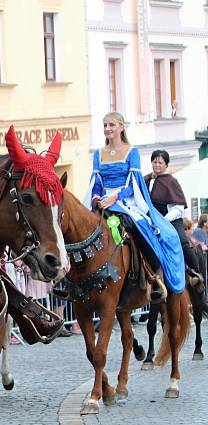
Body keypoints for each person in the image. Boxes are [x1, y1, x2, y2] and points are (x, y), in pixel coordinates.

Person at [84, 112, 185, 295]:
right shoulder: (99, 154)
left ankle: (153, 275)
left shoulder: (132, 152)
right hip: (103, 202)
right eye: (105, 125)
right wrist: (96, 198)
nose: (107, 129)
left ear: (121, 127)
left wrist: (114, 198)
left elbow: (134, 185)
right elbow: (96, 183)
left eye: (111, 125)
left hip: (125, 201)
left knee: (141, 228)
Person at [144, 149, 203, 290]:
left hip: (170, 219)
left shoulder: (171, 181)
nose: (157, 165)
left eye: (160, 162)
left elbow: (178, 208)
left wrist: (163, 221)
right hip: (151, 220)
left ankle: (195, 272)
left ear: (166, 165)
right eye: (154, 162)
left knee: (182, 241)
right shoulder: (146, 179)